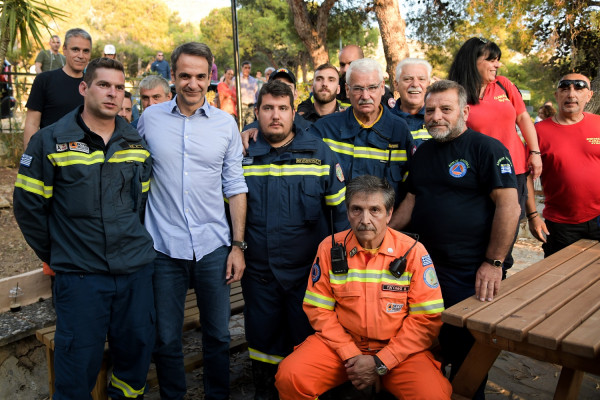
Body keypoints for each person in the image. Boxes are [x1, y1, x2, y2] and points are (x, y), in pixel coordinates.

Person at [14, 57, 155, 399]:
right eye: (103, 85)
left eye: (119, 87)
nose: (112, 94)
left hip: (133, 274)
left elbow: (141, 206)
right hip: (80, 277)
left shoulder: (135, 143)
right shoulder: (50, 141)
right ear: (84, 87)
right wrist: (59, 252)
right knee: (76, 369)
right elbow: (28, 208)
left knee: (135, 361)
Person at [391, 80, 520, 399]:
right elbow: (411, 201)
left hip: (471, 273)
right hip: (426, 270)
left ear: (463, 112)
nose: (436, 116)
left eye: (445, 109)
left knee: (468, 361)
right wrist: (379, 238)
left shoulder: (486, 149)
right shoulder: (423, 153)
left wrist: (493, 263)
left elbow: (509, 206)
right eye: (430, 110)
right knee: (432, 347)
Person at [275, 175, 451, 400]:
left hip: (400, 350)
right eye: (357, 209)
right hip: (341, 346)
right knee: (291, 377)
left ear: (389, 214)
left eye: (375, 210)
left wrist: (381, 362)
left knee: (434, 395)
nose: (365, 219)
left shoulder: (414, 252)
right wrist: (350, 353)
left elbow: (427, 319)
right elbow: (318, 310)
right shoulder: (329, 248)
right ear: (347, 212)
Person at [138, 42, 247, 400]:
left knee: (217, 334)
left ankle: (218, 396)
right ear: (173, 76)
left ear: (210, 77)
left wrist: (237, 246)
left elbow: (235, 185)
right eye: (185, 75)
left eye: (200, 76)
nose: (192, 84)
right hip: (163, 247)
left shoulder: (225, 124)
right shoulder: (150, 120)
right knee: (165, 336)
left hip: (213, 246)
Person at [243, 80, 348, 399]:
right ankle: (266, 392)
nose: (275, 115)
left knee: (309, 343)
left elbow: (339, 217)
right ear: (256, 112)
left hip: (308, 276)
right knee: (263, 344)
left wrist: (338, 269)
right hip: (259, 274)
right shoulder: (243, 154)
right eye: (268, 108)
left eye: (283, 108)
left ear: (294, 112)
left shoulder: (319, 153)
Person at [448, 37, 542, 275]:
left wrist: (535, 151)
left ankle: (498, 282)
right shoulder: (455, 92)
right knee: (478, 234)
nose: (497, 65)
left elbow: (523, 118)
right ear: (473, 61)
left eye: (498, 60)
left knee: (505, 238)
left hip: (514, 172)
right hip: (477, 176)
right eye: (491, 60)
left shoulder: (503, 85)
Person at [310, 58, 414, 205]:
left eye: (372, 88)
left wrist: (389, 227)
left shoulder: (399, 131)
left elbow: (411, 193)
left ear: (382, 87)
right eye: (358, 88)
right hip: (336, 227)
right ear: (347, 90)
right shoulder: (324, 130)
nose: (365, 96)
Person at [526, 73, 600, 257]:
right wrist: (533, 216)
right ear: (557, 94)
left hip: (599, 217)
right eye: (565, 88)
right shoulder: (538, 132)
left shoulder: (598, 124)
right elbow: (525, 175)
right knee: (561, 280)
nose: (571, 94)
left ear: (589, 95)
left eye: (578, 88)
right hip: (561, 224)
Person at [24, 28, 92, 148]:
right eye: (75, 49)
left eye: (86, 51)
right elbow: (32, 124)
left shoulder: (93, 85)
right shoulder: (44, 80)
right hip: (50, 156)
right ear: (64, 49)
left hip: (86, 160)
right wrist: (29, 160)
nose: (81, 56)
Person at [390, 58, 432, 146]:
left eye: (421, 79)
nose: (415, 84)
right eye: (408, 79)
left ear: (428, 84)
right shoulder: (384, 121)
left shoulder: (439, 120)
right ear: (396, 85)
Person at [238, 61, 259, 126]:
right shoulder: (237, 79)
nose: (247, 69)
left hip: (251, 106)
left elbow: (257, 93)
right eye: (245, 67)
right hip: (241, 106)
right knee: (240, 126)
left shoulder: (253, 80)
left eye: (249, 68)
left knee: (250, 126)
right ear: (242, 68)